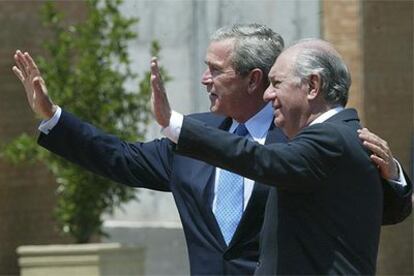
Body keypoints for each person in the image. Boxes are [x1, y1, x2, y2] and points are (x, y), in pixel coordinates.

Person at [13, 23, 410, 275]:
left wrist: (394, 177)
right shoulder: (195, 140)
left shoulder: (301, 142)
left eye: (216, 70)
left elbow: (366, 209)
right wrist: (54, 117)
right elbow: (120, 157)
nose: (204, 80)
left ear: (254, 80)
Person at [150, 38, 412, 275]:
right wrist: (395, 178)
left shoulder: (329, 139)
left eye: (277, 83)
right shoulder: (349, 138)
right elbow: (374, 213)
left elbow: (263, 159)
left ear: (312, 85)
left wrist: (175, 124)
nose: (267, 94)